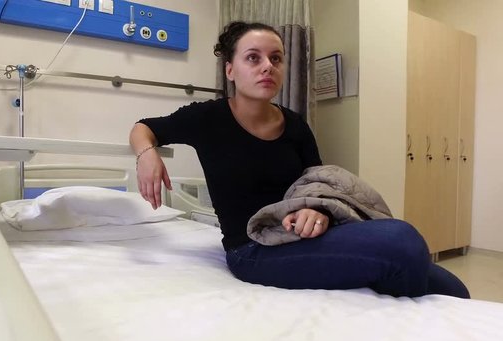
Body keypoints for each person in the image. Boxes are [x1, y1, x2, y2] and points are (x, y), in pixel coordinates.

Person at [129, 21, 469, 298]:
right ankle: (399, 320)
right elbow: (143, 128)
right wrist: (147, 154)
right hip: (253, 249)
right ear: (230, 69)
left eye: (276, 58)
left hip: (304, 234)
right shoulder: (207, 118)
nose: (267, 66)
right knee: (402, 241)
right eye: (253, 58)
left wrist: (315, 211)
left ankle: (387, 288)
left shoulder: (294, 123)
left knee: (453, 289)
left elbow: (318, 183)